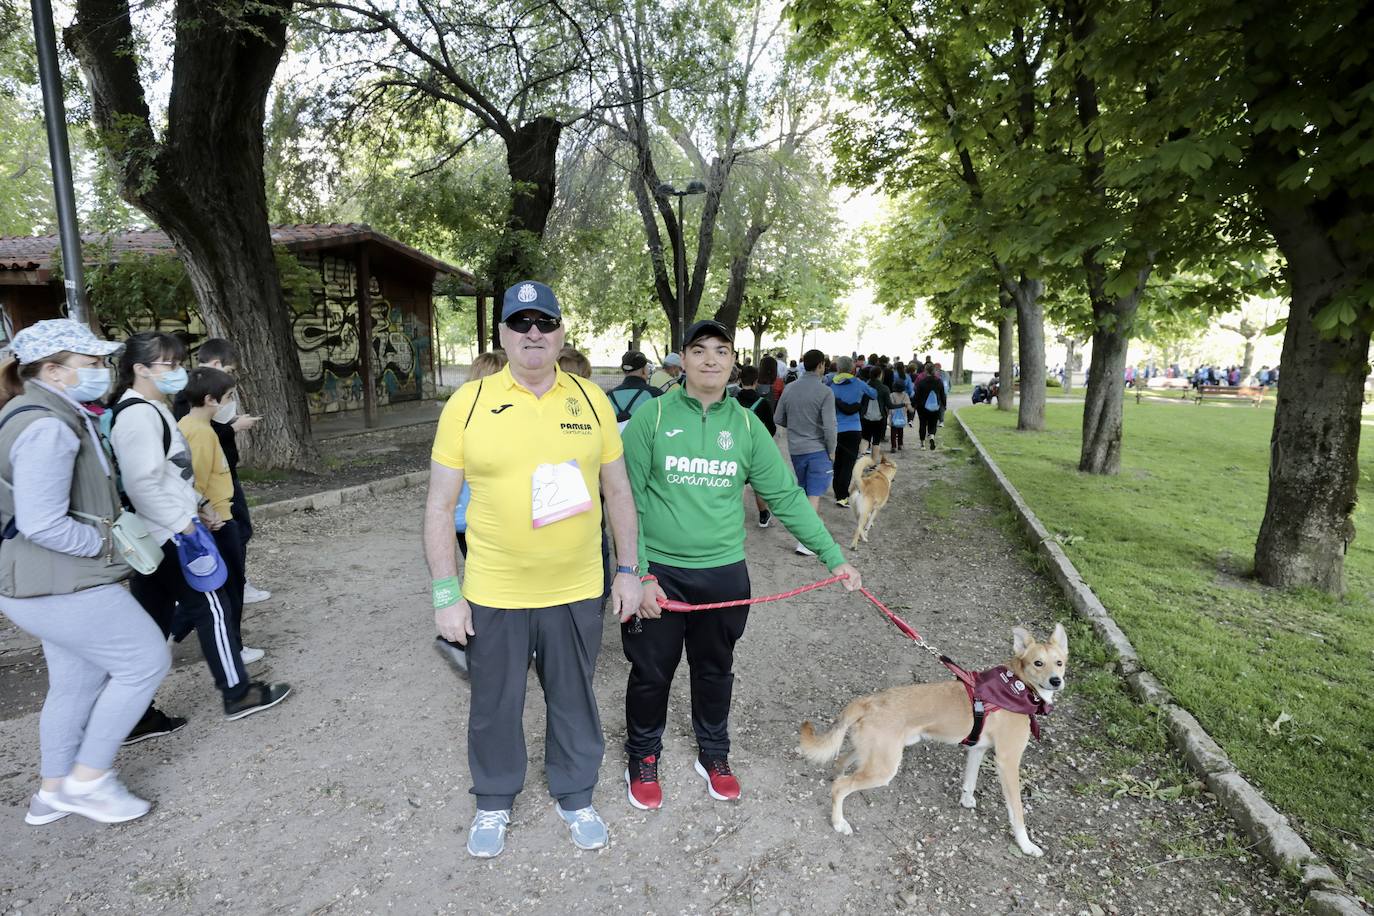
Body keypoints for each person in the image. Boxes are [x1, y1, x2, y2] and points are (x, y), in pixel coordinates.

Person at [424, 280, 642, 859]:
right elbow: (439, 507)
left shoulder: (593, 399)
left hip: (575, 588)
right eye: (520, 324)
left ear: (561, 331)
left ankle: (576, 793)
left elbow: (617, 491)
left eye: (544, 322)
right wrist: (448, 593)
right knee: (494, 701)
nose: (533, 334)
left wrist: (627, 570)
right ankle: (494, 799)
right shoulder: (467, 404)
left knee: (574, 697)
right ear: (502, 335)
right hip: (494, 589)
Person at [620, 319, 863, 810]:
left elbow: (787, 498)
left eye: (722, 351)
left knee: (716, 671)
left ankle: (714, 753)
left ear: (733, 363)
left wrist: (833, 557)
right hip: (659, 575)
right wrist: (639, 574)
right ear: (683, 359)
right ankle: (643, 755)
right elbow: (627, 502)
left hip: (724, 573)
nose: (711, 359)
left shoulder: (748, 425)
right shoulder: (653, 416)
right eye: (700, 350)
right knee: (651, 673)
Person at [0, 320, 171, 825]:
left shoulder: (45, 412)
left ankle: (53, 791)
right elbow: (42, 522)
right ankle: (89, 781)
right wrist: (103, 545)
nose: (103, 371)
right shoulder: (49, 426)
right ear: (52, 371)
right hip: (61, 581)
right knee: (145, 662)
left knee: (76, 683)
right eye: (90, 364)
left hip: (38, 583)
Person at [108, 332, 291, 723]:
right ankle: (238, 694)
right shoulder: (139, 415)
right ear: (140, 369)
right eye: (169, 366)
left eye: (178, 363)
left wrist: (199, 505)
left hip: (161, 532)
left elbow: (171, 476)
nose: (179, 373)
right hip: (170, 535)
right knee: (214, 608)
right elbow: (144, 484)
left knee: (150, 625)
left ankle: (130, 715)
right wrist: (185, 526)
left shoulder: (147, 408)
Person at [175, 339, 270, 606]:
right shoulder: (193, 409)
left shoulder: (200, 405)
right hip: (214, 501)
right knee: (233, 539)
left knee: (240, 532)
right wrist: (233, 427)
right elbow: (198, 471)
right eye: (229, 371)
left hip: (219, 484)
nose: (229, 401)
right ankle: (232, 584)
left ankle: (232, 582)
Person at [176, 367, 253, 664]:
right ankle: (233, 649)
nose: (230, 403)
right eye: (229, 397)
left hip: (216, 516)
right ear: (210, 399)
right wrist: (207, 512)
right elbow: (193, 481)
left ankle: (175, 633)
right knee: (231, 588)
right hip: (219, 521)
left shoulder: (192, 426)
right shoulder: (200, 433)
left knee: (216, 587)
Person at [774, 348, 837, 557]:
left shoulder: (790, 388)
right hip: (818, 448)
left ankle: (810, 533)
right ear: (820, 365)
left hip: (796, 449)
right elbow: (830, 426)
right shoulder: (825, 392)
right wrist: (832, 450)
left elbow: (778, 418)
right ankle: (806, 541)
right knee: (814, 495)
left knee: (806, 492)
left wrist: (796, 424)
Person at [826, 356, 875, 507]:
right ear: (853, 369)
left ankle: (838, 493)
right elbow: (874, 394)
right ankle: (842, 496)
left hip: (835, 428)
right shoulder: (859, 383)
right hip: (854, 428)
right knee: (848, 463)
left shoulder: (830, 383)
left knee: (838, 463)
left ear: (838, 368)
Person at [733, 364, 778, 528]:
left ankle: (732, 514)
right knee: (758, 483)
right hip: (755, 450)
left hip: (735, 448)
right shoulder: (763, 403)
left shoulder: (732, 402)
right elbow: (771, 429)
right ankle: (763, 515)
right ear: (756, 381)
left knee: (736, 482)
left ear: (739, 379)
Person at [608, 350, 661, 431]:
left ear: (624, 370)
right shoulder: (655, 394)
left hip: (615, 442)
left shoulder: (608, 396)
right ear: (644, 370)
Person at [914, 360, 947, 449]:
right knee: (933, 423)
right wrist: (944, 404)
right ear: (934, 371)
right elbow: (942, 394)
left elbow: (917, 395)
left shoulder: (921, 382)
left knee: (923, 424)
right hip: (935, 406)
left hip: (922, 407)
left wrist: (915, 405)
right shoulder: (939, 381)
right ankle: (931, 436)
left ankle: (922, 444)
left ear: (925, 371)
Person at [859, 366, 890, 453]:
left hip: (865, 416)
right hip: (879, 417)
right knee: (876, 441)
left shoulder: (864, 386)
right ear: (880, 375)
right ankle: (873, 462)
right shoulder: (884, 388)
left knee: (865, 438)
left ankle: (862, 457)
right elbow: (889, 405)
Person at [888, 377, 911, 451]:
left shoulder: (892, 395)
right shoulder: (905, 395)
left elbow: (889, 405)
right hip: (902, 415)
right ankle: (900, 444)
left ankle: (893, 446)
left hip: (893, 415)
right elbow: (908, 404)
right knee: (900, 431)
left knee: (893, 432)